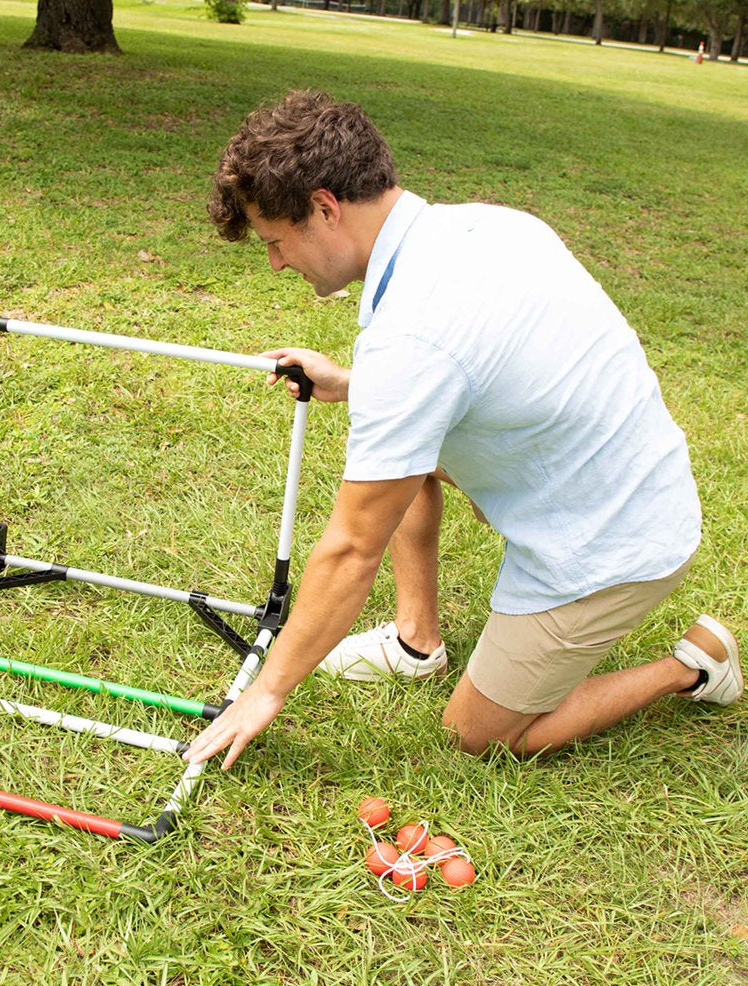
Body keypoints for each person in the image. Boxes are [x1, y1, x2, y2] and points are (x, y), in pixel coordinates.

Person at [183, 90, 741, 771]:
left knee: (478, 734)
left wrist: (265, 691)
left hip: (615, 541)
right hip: (615, 471)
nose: (275, 262)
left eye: (275, 241)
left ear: (326, 208)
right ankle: (418, 643)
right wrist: (356, 385)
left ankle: (693, 665)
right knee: (390, 443)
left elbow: (353, 548)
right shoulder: (484, 225)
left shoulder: (414, 335)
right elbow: (489, 372)